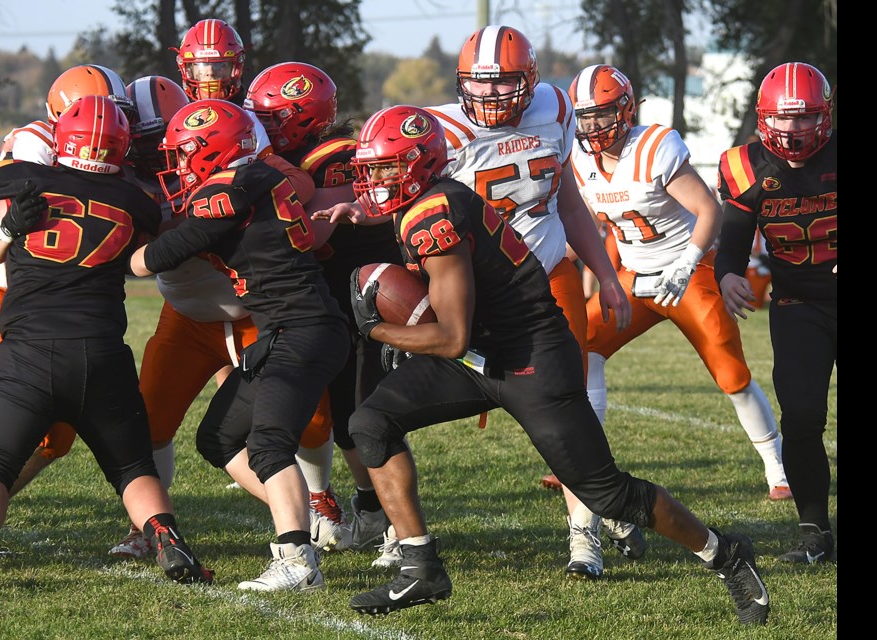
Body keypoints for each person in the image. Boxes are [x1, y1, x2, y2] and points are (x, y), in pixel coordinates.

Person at [337, 105, 769, 625]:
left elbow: (450, 338)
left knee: (607, 493)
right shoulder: (435, 198)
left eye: (387, 167)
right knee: (371, 422)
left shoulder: (435, 216)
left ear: (421, 164)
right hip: (484, 350)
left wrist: (376, 329)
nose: (376, 179)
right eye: (373, 168)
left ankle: (725, 553)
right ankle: (419, 566)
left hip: (530, 358)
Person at [422, 26, 643, 578]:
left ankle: (584, 535)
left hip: (548, 273)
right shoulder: (441, 130)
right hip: (480, 290)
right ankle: (388, 526)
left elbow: (566, 198)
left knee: (564, 408)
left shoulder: (557, 109)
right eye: (479, 85)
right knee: (388, 404)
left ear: (532, 81)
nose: (490, 97)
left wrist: (607, 275)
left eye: (503, 85)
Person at [0, 95, 212, 592]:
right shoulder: (136, 201)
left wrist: (7, 225)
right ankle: (169, 540)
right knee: (132, 467)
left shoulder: (22, 180)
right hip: (102, 353)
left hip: (28, 354)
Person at [563, 63, 791, 577]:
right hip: (632, 277)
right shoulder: (578, 157)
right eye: (585, 117)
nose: (592, 127)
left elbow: (709, 211)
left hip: (688, 269)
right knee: (584, 351)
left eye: (601, 115)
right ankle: (589, 457)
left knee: (730, 372)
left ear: (625, 111)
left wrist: (687, 263)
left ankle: (775, 465)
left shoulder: (655, 145)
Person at [130, 99, 350, 592]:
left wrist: (120, 243)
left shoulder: (227, 193)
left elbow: (153, 259)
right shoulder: (261, 177)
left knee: (270, 446)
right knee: (219, 438)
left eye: (185, 155)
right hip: (288, 328)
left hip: (300, 327)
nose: (179, 166)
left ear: (212, 152)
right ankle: (300, 523)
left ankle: (296, 560)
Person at [245, 61, 404, 562]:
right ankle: (373, 509)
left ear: (305, 116)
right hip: (332, 301)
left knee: (367, 413)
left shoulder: (333, 156)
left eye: (273, 117)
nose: (263, 126)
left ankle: (401, 528)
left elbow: (311, 233)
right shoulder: (288, 155)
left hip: (366, 298)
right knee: (344, 416)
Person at [0, 64, 138, 498]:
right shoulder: (36, 146)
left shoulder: (84, 151)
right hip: (2, 294)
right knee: (27, 432)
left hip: (43, 304)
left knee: (51, 435)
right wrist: (8, 227)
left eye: (117, 112)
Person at [715, 61, 836, 564]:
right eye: (783, 119)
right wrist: (727, 274)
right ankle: (815, 536)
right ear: (764, 118)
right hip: (798, 303)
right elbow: (734, 241)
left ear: (824, 116)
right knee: (803, 418)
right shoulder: (745, 165)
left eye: (805, 117)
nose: (793, 129)